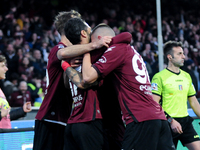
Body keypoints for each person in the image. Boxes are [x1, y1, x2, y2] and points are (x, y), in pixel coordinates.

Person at [62, 20, 175, 150]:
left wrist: (88, 49)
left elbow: (86, 78)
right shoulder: (130, 49)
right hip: (157, 117)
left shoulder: (115, 50)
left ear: (100, 39)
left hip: (140, 119)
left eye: (93, 42)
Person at [33, 10, 111, 150]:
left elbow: (67, 83)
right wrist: (94, 45)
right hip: (50, 116)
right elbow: (62, 54)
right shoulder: (59, 49)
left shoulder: (76, 52)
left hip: (65, 117)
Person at [62, 17, 104, 150]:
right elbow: (85, 82)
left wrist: (65, 66)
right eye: (89, 28)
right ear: (84, 33)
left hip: (73, 122)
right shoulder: (93, 56)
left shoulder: (71, 59)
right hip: (89, 121)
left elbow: (66, 84)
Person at [151, 41, 200, 149]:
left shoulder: (187, 76)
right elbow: (154, 104)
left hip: (185, 122)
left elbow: (194, 102)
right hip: (167, 123)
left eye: (183, 53)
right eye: (179, 54)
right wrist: (171, 121)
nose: (183, 56)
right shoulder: (159, 77)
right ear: (170, 57)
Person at [0, 55, 32, 129]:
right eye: (2, 66)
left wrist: (22, 111)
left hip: (4, 136)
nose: (6, 69)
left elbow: (6, 116)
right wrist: (1, 115)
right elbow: (2, 114)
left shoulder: (0, 90)